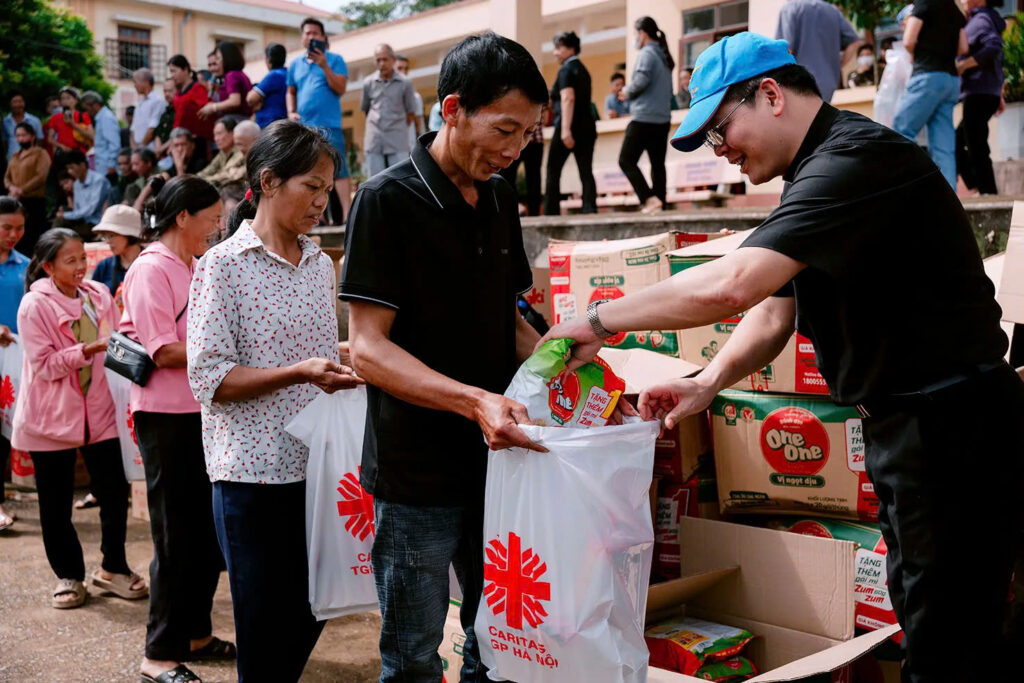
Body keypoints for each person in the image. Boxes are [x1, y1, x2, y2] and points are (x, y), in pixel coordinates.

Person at [541, 31, 1023, 683]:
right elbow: (774, 309)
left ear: (769, 95)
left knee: (947, 640)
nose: (722, 152)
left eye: (720, 131)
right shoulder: (818, 174)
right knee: (927, 616)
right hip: (910, 425)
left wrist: (597, 319)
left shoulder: (854, 160)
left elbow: (734, 283)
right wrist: (707, 381)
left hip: (951, 424)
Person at [340, 32, 549, 681]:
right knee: (413, 657)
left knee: (504, 643)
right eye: (505, 129)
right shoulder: (386, 201)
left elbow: (509, 322)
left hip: (499, 467)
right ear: (453, 108)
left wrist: (575, 367)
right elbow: (369, 349)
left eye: (528, 134)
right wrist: (473, 399)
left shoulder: (500, 200)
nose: (515, 149)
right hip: (417, 477)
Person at [188, 120, 362, 682]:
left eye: (328, 187)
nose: (322, 201)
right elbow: (210, 378)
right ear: (267, 181)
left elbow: (311, 350)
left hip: (318, 470)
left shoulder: (319, 264)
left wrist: (344, 358)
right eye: (311, 186)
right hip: (251, 477)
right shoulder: (223, 265)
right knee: (263, 632)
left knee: (316, 608)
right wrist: (302, 373)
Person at [121, 175, 235, 683]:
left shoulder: (194, 265)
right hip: (164, 416)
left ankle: (196, 633)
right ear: (182, 217)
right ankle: (159, 654)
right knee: (173, 536)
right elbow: (163, 349)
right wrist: (230, 353)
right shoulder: (151, 269)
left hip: (201, 411)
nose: (216, 229)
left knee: (206, 534)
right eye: (211, 220)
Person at [12, 227, 148, 609]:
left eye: (82, 259)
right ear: (48, 266)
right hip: (50, 417)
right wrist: (88, 349)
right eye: (69, 261)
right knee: (54, 505)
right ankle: (68, 576)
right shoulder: (34, 305)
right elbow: (44, 366)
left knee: (113, 492)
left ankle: (113, 567)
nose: (79, 267)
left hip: (99, 411)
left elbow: (118, 339)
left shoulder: (98, 295)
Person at [893, 0, 967, 190]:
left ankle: (904, 189)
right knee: (944, 146)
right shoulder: (954, 9)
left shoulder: (924, 3)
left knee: (901, 132)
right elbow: (963, 48)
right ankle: (949, 197)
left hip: (927, 76)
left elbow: (909, 40)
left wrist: (921, 51)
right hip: (950, 80)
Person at [287, 17, 352, 223]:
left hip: (330, 125)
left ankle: (349, 215)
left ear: (323, 37)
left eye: (315, 33)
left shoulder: (335, 59)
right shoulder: (295, 64)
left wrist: (324, 65)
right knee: (309, 170)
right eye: (307, 33)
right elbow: (291, 91)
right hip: (305, 127)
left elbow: (340, 88)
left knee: (339, 170)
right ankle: (318, 218)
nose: (311, 36)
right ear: (302, 38)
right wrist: (291, 111)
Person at [618, 16, 675, 215]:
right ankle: (660, 202)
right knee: (657, 164)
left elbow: (641, 81)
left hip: (644, 117)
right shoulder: (664, 55)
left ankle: (648, 199)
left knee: (626, 160)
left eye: (636, 34)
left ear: (642, 33)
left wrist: (626, 91)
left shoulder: (647, 54)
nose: (635, 38)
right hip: (662, 118)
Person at [544, 31, 597, 215]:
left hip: (570, 126)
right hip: (587, 126)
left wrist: (565, 130)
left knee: (553, 169)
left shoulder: (566, 69)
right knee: (585, 170)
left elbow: (568, 98)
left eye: (559, 48)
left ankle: (551, 213)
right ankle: (589, 208)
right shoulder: (583, 70)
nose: (555, 52)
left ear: (571, 49)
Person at [955, 0, 1005, 196]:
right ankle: (982, 190)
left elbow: (993, 47)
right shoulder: (986, 18)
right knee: (964, 142)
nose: (962, 1)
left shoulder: (981, 19)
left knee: (975, 146)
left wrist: (964, 65)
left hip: (978, 93)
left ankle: (987, 193)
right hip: (986, 92)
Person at [0, 197, 28, 533]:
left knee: (6, 428)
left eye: (19, 228)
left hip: (16, 358)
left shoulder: (26, 264)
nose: (13, 234)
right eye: (6, 227)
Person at [775, 0, 861, 103]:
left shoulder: (790, 8)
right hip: (827, 84)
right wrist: (838, 65)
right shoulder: (832, 10)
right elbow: (854, 42)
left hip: (797, 84)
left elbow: (786, 49)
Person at [360, 43, 418, 177]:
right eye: (378, 60)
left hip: (397, 138)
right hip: (374, 140)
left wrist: (396, 126)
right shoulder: (368, 82)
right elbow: (366, 110)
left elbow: (410, 113)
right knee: (375, 181)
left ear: (393, 60)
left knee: (401, 181)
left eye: (385, 59)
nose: (381, 63)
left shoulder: (405, 83)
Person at [3, 122, 50, 254]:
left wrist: (22, 190)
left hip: (34, 202)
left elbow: (41, 176)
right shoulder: (15, 156)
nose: (21, 139)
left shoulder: (41, 153)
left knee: (33, 237)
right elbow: (7, 177)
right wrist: (12, 188)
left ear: (32, 136)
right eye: (18, 135)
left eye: (24, 135)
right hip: (16, 202)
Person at [498, 113, 545, 217]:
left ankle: (533, 213)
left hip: (533, 140)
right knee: (507, 176)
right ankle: (510, 211)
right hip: (521, 140)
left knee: (533, 179)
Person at [90, 204, 143, 296]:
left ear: (129, 235)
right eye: (105, 236)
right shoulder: (104, 267)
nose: (108, 242)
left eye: (111, 236)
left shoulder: (150, 265)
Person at [55, 150, 110, 237]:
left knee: (66, 232)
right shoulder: (77, 184)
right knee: (59, 221)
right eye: (68, 168)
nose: (69, 172)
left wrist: (66, 215)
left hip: (95, 223)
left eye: (72, 168)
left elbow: (90, 209)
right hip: (82, 221)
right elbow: (77, 209)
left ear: (83, 165)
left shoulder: (99, 180)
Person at [168, 55, 214, 158]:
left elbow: (205, 115)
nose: (172, 75)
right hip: (179, 138)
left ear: (185, 69)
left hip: (195, 142)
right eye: (171, 72)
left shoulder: (197, 88)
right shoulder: (178, 92)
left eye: (174, 71)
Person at [200, 42, 252, 121]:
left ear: (227, 58)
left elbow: (235, 101)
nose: (217, 63)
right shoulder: (239, 74)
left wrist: (213, 107)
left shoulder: (231, 75)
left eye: (218, 59)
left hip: (235, 121)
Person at [79, 91, 120, 185]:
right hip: (102, 167)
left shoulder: (106, 118)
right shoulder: (101, 118)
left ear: (94, 105)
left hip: (108, 168)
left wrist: (111, 164)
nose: (87, 112)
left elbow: (114, 143)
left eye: (87, 108)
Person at [45, 87, 93, 158]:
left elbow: (91, 136)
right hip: (63, 153)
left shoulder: (83, 116)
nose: (65, 101)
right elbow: (50, 139)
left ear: (76, 100)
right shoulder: (55, 117)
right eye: (63, 98)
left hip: (79, 153)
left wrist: (73, 124)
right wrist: (62, 146)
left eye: (68, 98)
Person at [249, 43, 289, 128]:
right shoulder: (287, 74)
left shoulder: (274, 75)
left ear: (268, 60)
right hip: (282, 123)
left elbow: (251, 99)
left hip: (268, 124)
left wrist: (260, 100)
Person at [197, 119, 245, 189]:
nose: (216, 139)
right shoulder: (223, 152)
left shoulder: (240, 151)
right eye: (215, 135)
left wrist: (200, 181)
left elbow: (224, 175)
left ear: (232, 134)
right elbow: (209, 170)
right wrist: (193, 178)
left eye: (219, 134)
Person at [131, 69, 168, 152]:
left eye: (135, 82)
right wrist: (134, 148)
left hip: (149, 151)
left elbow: (152, 129)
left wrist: (140, 148)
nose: (134, 85)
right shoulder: (140, 103)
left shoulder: (157, 101)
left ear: (145, 82)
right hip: (138, 152)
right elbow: (133, 129)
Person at [3, 91, 44, 164]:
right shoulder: (5, 122)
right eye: (14, 102)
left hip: (30, 160)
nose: (18, 105)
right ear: (10, 104)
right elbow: (5, 142)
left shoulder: (34, 121)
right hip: (11, 159)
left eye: (20, 101)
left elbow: (39, 140)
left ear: (24, 103)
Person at [395, 54, 424, 153]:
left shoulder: (415, 97)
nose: (403, 72)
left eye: (406, 69)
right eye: (399, 68)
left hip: (410, 150)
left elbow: (418, 127)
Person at [152, 78, 178, 162]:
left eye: (170, 91)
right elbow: (158, 133)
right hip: (161, 156)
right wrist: (158, 149)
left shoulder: (178, 111)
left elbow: (177, 135)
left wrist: (160, 149)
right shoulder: (165, 111)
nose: (167, 94)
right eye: (165, 91)